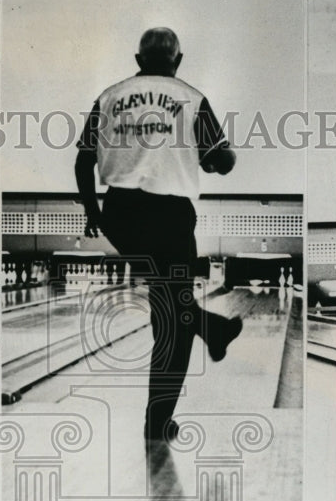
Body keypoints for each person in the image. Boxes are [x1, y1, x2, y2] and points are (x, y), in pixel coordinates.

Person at [75, 27, 242, 442]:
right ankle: (160, 415)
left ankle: (209, 330)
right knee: (173, 320)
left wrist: (93, 211)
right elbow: (222, 161)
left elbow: (82, 162)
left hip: (119, 213)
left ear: (137, 60)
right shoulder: (193, 98)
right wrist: (220, 158)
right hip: (170, 215)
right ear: (178, 61)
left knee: (169, 310)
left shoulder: (109, 97)